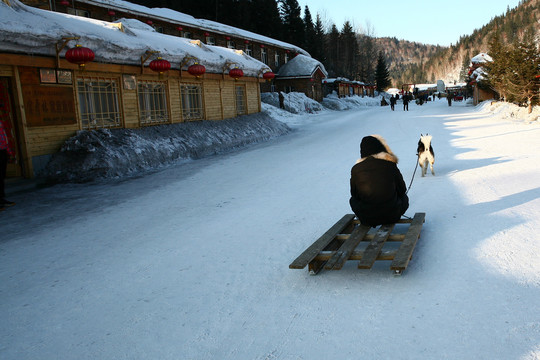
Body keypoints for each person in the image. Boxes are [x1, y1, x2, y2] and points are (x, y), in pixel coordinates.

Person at [349, 135, 409, 227]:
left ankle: (368, 214)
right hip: (392, 216)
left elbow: (355, 194)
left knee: (352, 200)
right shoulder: (390, 165)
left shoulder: (356, 169)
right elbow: (402, 190)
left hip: (367, 217)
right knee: (404, 197)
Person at [0, 120, 15, 210]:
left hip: (2, 151)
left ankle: (1, 199)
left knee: (1, 177)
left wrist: (8, 151)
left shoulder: (1, 122)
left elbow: (4, 137)